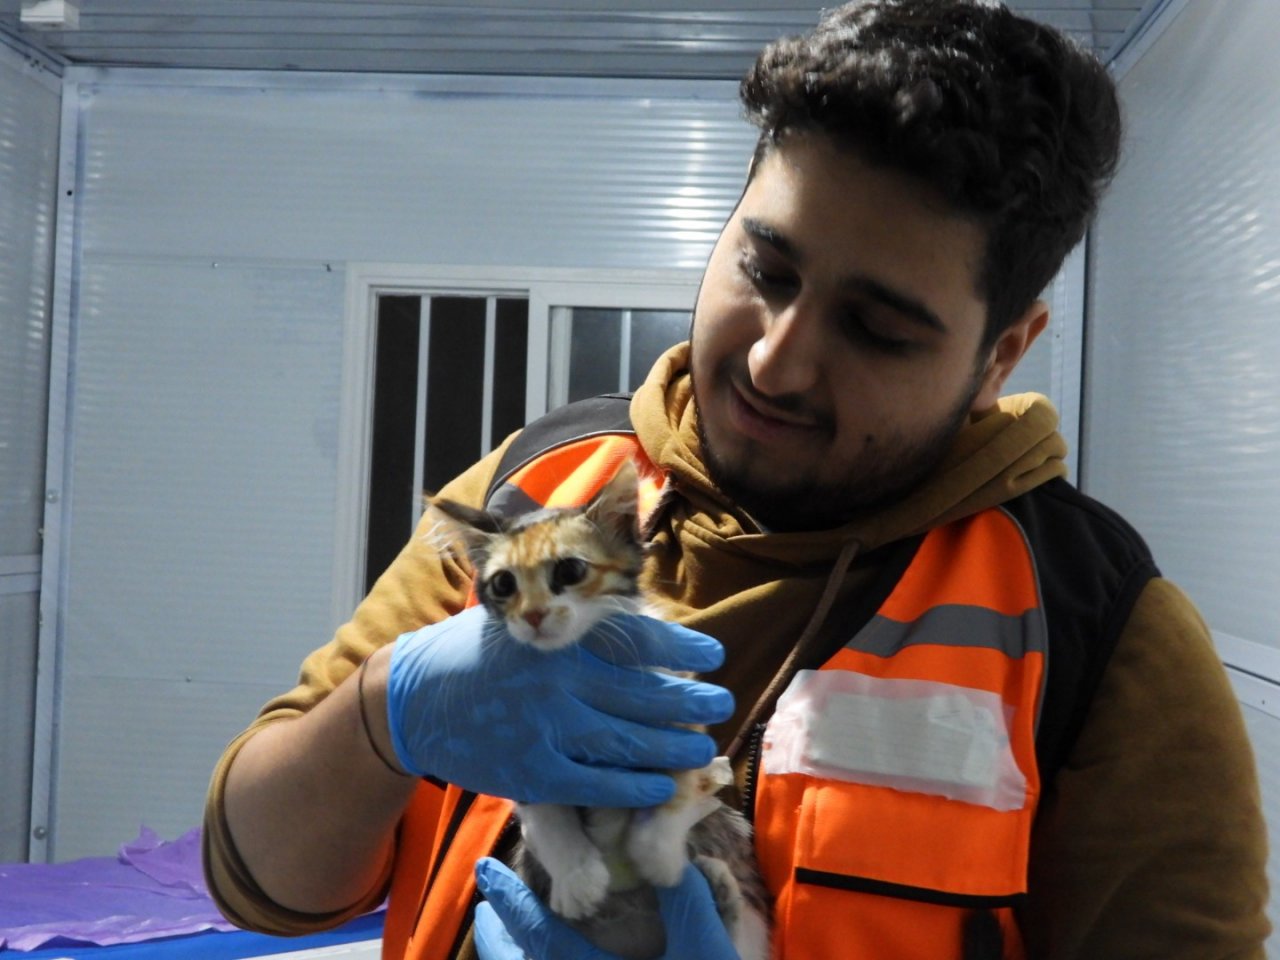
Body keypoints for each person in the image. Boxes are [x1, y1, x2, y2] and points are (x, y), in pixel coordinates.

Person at [203, 2, 1272, 958]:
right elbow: (259, 882)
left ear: (1000, 355)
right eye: (765, 270)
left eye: (874, 328)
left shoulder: (1095, 628)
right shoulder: (537, 492)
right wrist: (381, 722)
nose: (775, 359)